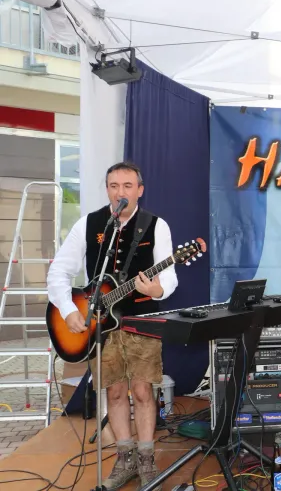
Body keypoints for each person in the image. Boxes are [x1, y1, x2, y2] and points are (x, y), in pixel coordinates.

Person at [47, 162, 178, 490]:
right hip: (100, 326)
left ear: (140, 190)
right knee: (115, 391)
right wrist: (67, 309)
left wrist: (157, 289)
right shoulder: (89, 224)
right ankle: (125, 459)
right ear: (107, 189)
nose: (121, 192)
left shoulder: (156, 225)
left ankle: (146, 458)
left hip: (142, 321)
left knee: (143, 391)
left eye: (128, 186)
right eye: (114, 186)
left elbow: (169, 277)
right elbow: (59, 271)